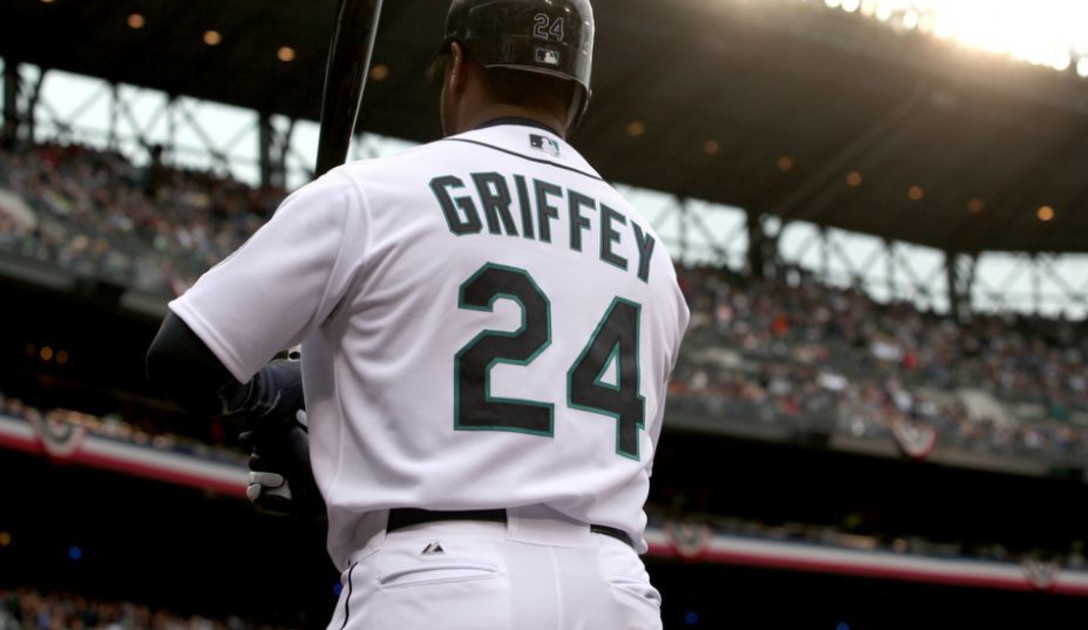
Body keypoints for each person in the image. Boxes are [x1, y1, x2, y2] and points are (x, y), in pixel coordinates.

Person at [145, 0, 689, 628]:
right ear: (579, 94)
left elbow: (181, 358)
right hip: (615, 591)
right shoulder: (654, 257)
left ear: (457, 66)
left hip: (436, 579)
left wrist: (275, 399)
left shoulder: (372, 193)